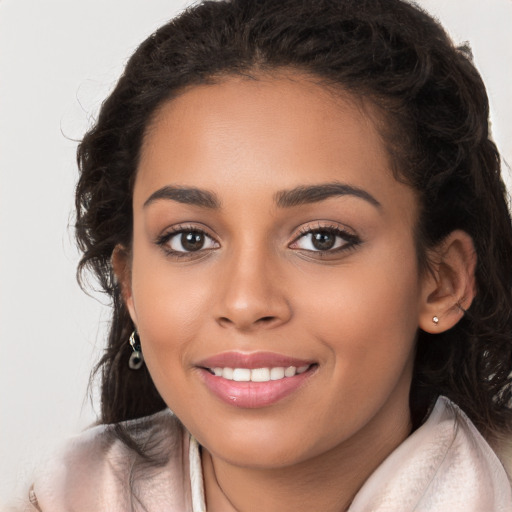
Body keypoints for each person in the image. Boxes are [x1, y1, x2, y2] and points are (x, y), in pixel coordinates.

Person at [21, 0, 512, 510]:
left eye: (323, 238)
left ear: (443, 280)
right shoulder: (64, 495)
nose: (246, 301)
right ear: (130, 286)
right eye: (189, 239)